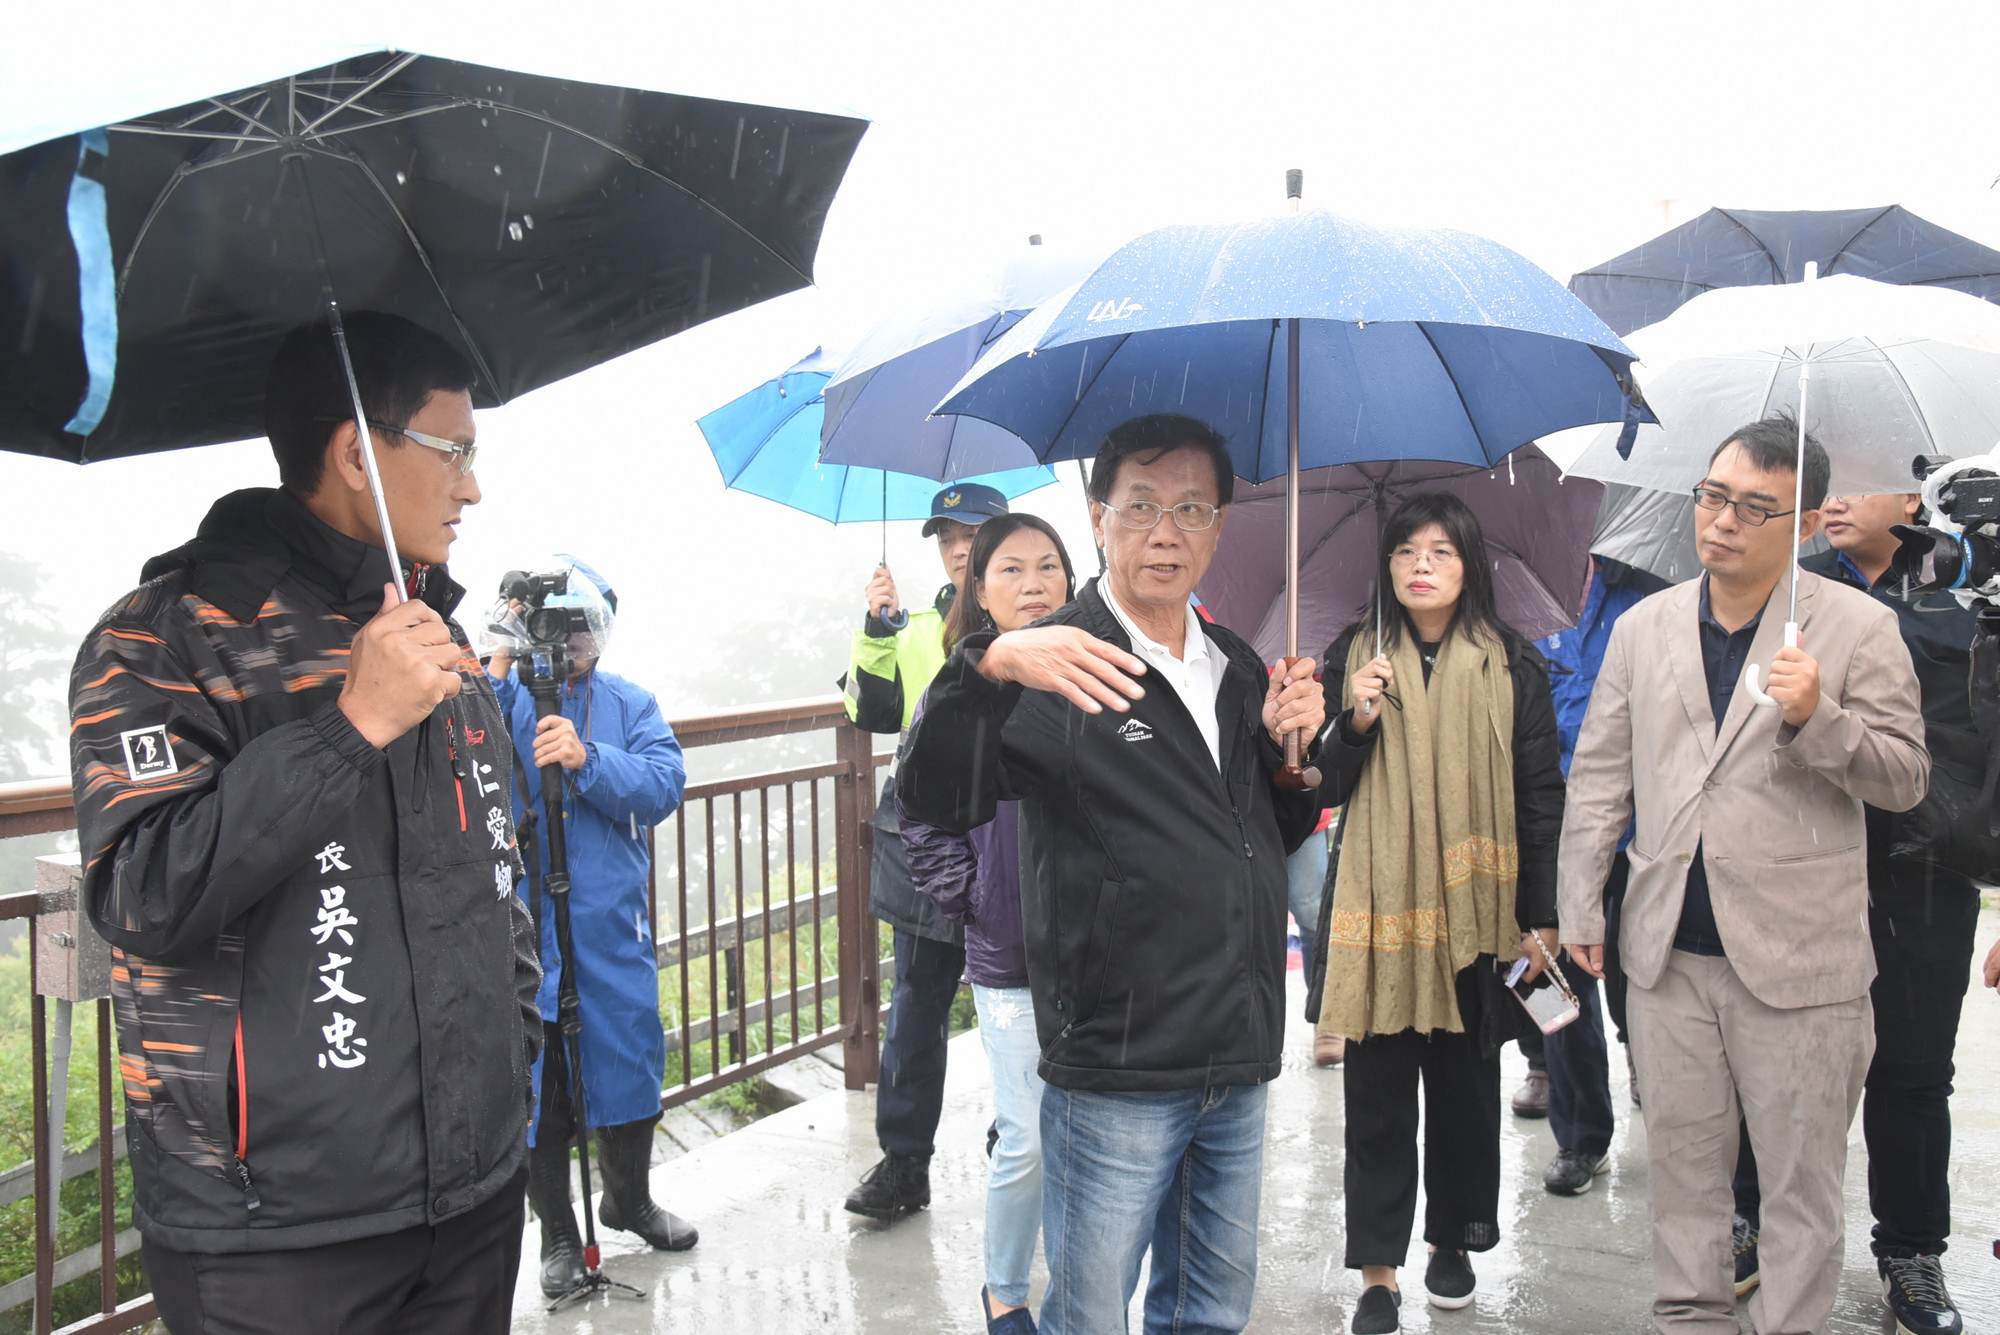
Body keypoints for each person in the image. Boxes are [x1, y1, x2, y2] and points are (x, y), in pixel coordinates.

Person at [68, 313, 541, 1335]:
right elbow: (142, 895)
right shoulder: (163, 636)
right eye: (454, 451)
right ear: (353, 453)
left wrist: (514, 1054)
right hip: (270, 1231)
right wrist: (350, 724)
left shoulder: (437, 637)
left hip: (470, 1194)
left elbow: (494, 868)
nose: (473, 487)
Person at [899, 412, 1325, 1335]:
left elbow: (1263, 830)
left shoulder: (1238, 664)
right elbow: (933, 792)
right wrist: (990, 664)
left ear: (1220, 526)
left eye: (1191, 508)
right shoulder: (1060, 655)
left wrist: (1302, 755)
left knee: (1210, 1311)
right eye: (1140, 506)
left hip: (1237, 1047)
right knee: (1091, 1316)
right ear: (1099, 518)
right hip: (1118, 1060)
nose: (1165, 532)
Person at [1558, 417, 1929, 1335]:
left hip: (1801, 963)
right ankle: (1689, 1315)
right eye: (1714, 497)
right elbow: (1602, 773)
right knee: (1684, 1171)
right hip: (1667, 950)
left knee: (1801, 1183)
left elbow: (1906, 777)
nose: (1722, 521)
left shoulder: (1857, 628)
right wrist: (1580, 904)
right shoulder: (1644, 626)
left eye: (1754, 507)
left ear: (1803, 523)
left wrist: (1820, 717)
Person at [1310, 493, 1564, 1334]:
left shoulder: (1514, 664)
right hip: (1380, 912)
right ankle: (1378, 1273)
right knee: (1377, 1096)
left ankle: (1450, 1237)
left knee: (1464, 1087)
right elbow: (1321, 784)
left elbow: (1537, 794)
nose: (1423, 563)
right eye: (1407, 550)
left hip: (1474, 913)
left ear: (1469, 568)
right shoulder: (1351, 655)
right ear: (1385, 566)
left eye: (1442, 551)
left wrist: (1541, 914)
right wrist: (1356, 719)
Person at [1747, 489, 1975, 1333]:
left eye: (1862, 481)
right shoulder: (1788, 587)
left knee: (1914, 1071)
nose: (1837, 500)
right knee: (1771, 1057)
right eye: (1828, 485)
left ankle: (1911, 1251)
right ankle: (1750, 1218)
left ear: (1913, 495)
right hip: (1798, 859)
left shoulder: (1969, 588)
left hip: (1924, 866)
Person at [484, 556, 695, 1298]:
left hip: (610, 924)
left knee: (630, 1059)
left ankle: (628, 1198)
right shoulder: (503, 696)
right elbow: (465, 737)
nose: (571, 639)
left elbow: (664, 783)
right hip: (528, 925)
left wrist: (586, 757)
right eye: (558, 623)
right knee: (543, 1084)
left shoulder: (630, 703)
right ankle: (560, 1238)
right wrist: (503, 640)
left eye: (584, 623)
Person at [900, 513, 1077, 1335]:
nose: (1033, 582)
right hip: (1009, 954)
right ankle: (1005, 1289)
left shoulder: (1099, 678)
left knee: (1096, 1142)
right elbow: (920, 814)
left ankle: (1085, 1286)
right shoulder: (961, 695)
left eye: (1049, 566)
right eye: (1010, 569)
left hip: (1100, 952)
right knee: (1028, 1138)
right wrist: (971, 896)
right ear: (979, 589)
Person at [843, 482, 1010, 1221]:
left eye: (971, 532)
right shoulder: (912, 627)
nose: (957, 545)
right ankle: (904, 1162)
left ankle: (1022, 1138)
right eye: (946, 536)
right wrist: (876, 629)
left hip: (1007, 833)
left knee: (1023, 1000)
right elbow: (870, 711)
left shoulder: (1038, 621)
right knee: (917, 1001)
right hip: (927, 835)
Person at [1533, 555, 1665, 1196]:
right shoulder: (1517, 608)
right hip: (1547, 833)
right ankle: (1579, 1137)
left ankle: (1655, 1080)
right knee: (1551, 988)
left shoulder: (1646, 601)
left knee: (1647, 979)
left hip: (1643, 832)